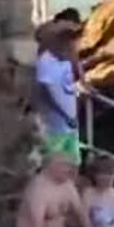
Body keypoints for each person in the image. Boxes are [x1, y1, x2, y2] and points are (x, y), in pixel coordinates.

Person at [35, 24, 81, 163]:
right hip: (55, 126)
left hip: (71, 124)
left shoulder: (67, 60)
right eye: (70, 48)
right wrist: (65, 115)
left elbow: (72, 84)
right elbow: (45, 93)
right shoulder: (45, 61)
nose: (72, 51)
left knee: (74, 162)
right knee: (55, 163)